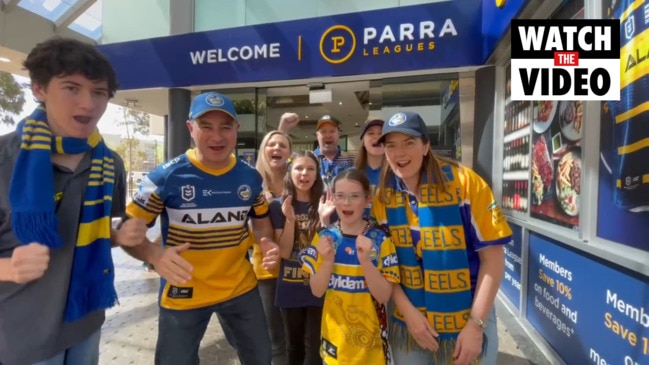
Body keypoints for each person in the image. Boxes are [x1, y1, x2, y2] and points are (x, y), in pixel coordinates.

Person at [0, 37, 146, 365]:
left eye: (98, 92)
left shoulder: (109, 164)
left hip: (85, 322)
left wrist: (119, 236)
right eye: (71, 88)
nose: (88, 104)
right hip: (17, 337)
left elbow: (97, 231)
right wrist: (8, 267)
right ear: (39, 89)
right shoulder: (4, 160)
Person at [121, 91, 281, 365]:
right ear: (190, 128)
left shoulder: (250, 178)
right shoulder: (164, 177)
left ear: (236, 130)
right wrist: (154, 255)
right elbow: (127, 230)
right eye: (206, 126)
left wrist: (268, 243)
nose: (216, 137)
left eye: (225, 127)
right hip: (183, 293)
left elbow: (262, 224)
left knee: (260, 359)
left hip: (239, 288)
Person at [372, 112, 511, 365]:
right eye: (391, 145)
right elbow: (387, 267)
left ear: (426, 146)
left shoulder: (466, 184)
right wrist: (408, 313)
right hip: (409, 319)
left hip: (468, 312)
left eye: (409, 143)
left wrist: (476, 326)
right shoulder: (384, 197)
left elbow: (493, 260)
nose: (399, 153)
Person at [302, 169, 400, 365]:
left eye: (354, 196)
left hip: (372, 350)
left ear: (367, 199)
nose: (346, 202)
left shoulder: (381, 239)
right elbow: (317, 290)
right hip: (334, 346)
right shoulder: (324, 237)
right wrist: (327, 261)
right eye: (340, 196)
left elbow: (383, 296)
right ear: (333, 199)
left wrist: (366, 262)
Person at [269, 151, 325, 365]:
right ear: (290, 173)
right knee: (294, 346)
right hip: (290, 287)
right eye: (299, 168)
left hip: (319, 287)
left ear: (317, 173)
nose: (304, 173)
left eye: (310, 168)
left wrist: (325, 217)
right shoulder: (278, 205)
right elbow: (283, 252)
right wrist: (290, 219)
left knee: (315, 348)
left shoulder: (325, 203)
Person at [253, 129, 294, 365]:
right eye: (271, 144)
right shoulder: (252, 185)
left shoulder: (298, 182)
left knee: (298, 335)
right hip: (266, 272)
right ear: (263, 151)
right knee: (274, 337)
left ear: (289, 153)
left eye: (282, 145)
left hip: (297, 270)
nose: (276, 148)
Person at [313, 115, 355, 191]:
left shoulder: (351, 160)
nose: (328, 135)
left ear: (338, 134)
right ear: (317, 135)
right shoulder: (309, 159)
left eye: (332, 131)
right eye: (323, 131)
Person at [354, 117, 385, 217]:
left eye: (381, 133)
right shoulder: (351, 175)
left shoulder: (399, 175)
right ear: (363, 141)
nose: (377, 137)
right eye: (371, 133)